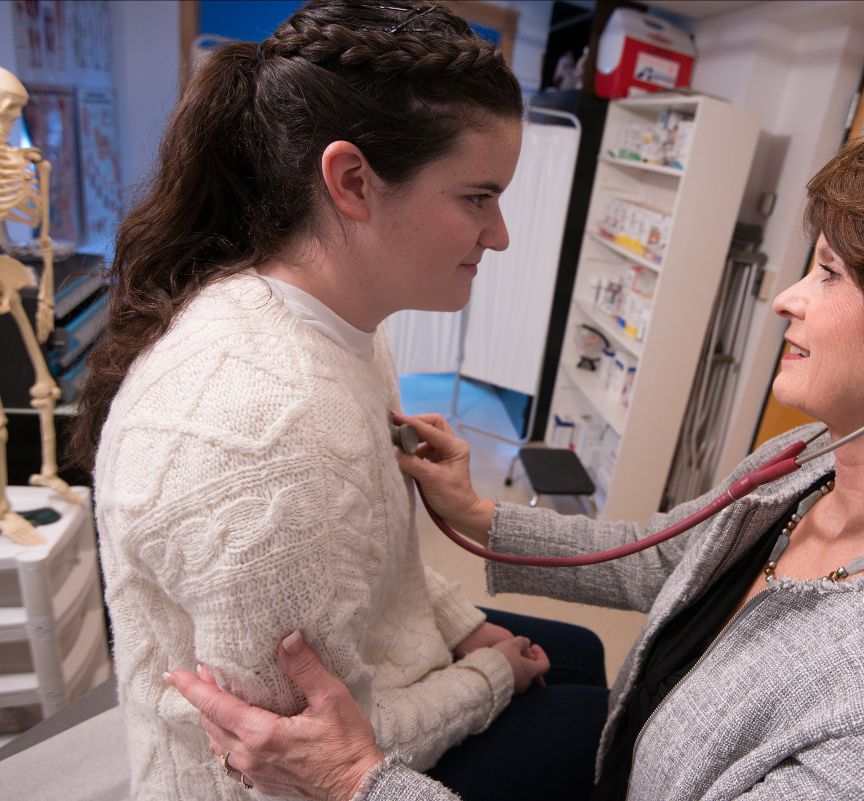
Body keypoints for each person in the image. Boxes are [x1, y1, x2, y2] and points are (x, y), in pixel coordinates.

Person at [169, 108, 864, 800]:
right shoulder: (820, 456)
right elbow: (672, 556)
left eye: (829, 273)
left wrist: (357, 783)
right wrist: (476, 517)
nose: (784, 300)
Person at [72, 2, 609, 800]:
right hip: (275, 782)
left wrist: (464, 625)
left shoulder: (345, 324)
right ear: (353, 181)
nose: (499, 235)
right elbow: (304, 763)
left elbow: (385, 561)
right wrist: (488, 675)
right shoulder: (267, 439)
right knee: (600, 724)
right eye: (476, 197)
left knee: (583, 653)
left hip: (376, 673)